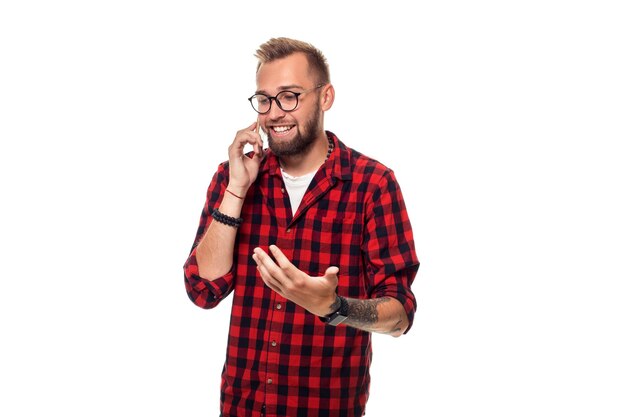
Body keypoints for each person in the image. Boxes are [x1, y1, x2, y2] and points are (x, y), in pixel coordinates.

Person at [184, 37, 419, 417]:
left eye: (289, 96)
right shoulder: (234, 178)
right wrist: (237, 189)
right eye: (264, 99)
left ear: (325, 97)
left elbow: (400, 316)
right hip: (242, 408)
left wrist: (334, 307)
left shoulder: (372, 184)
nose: (275, 113)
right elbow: (202, 290)